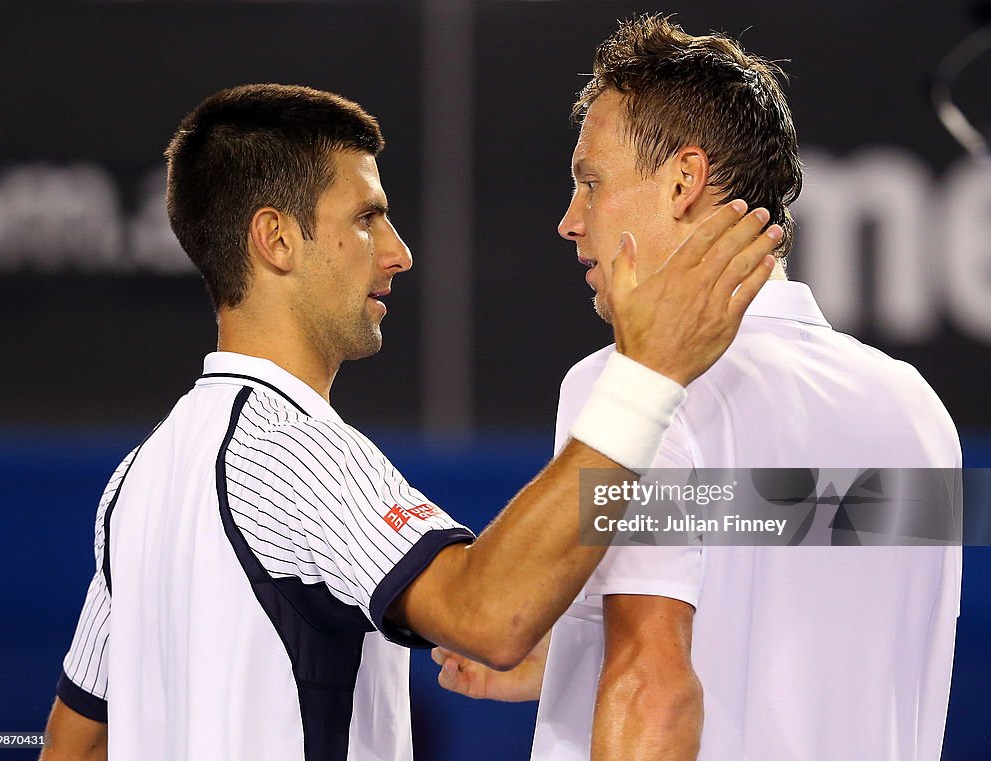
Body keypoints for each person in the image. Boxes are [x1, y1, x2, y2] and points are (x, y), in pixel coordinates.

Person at [38, 84, 781, 761]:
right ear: (277, 239)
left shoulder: (136, 483)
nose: (399, 252)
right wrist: (646, 377)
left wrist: (574, 655)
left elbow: (73, 744)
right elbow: (491, 614)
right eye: (367, 219)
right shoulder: (293, 454)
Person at [433, 14, 962, 761]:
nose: (569, 221)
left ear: (684, 181)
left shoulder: (637, 389)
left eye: (591, 183)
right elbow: (788, 606)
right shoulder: (915, 409)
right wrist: (577, 655)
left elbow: (656, 691)